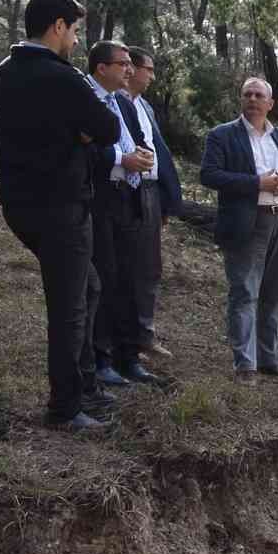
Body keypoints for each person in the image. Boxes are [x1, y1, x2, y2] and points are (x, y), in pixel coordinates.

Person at [0, 0, 122, 432]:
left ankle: (85, 386)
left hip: (22, 205)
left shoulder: (5, 71)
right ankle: (64, 408)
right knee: (69, 306)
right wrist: (80, 133)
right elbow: (106, 127)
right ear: (58, 27)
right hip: (61, 206)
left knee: (87, 289)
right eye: (75, 31)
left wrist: (75, 131)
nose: (77, 42)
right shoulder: (63, 77)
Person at [200, 77, 278, 380]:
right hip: (245, 221)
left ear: (270, 103)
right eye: (247, 94)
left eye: (258, 95)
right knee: (244, 292)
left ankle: (270, 360)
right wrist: (257, 183)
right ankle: (245, 365)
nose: (252, 99)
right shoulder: (222, 135)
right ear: (241, 100)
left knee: (274, 293)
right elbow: (209, 175)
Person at [85, 41, 162, 389]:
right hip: (98, 199)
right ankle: (101, 359)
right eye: (123, 64)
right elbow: (82, 150)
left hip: (129, 198)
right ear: (102, 68)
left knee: (131, 279)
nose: (130, 70)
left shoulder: (123, 102)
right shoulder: (85, 98)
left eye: (132, 64)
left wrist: (141, 157)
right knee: (105, 280)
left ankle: (127, 356)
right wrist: (121, 160)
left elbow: (141, 141)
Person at [124, 48, 182, 359]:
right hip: (124, 193)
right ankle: (125, 340)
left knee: (149, 267)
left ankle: (143, 335)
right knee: (124, 267)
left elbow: (159, 152)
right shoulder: (113, 103)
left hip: (150, 193)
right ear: (130, 68)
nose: (152, 76)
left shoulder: (145, 106)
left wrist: (166, 199)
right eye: (149, 69)